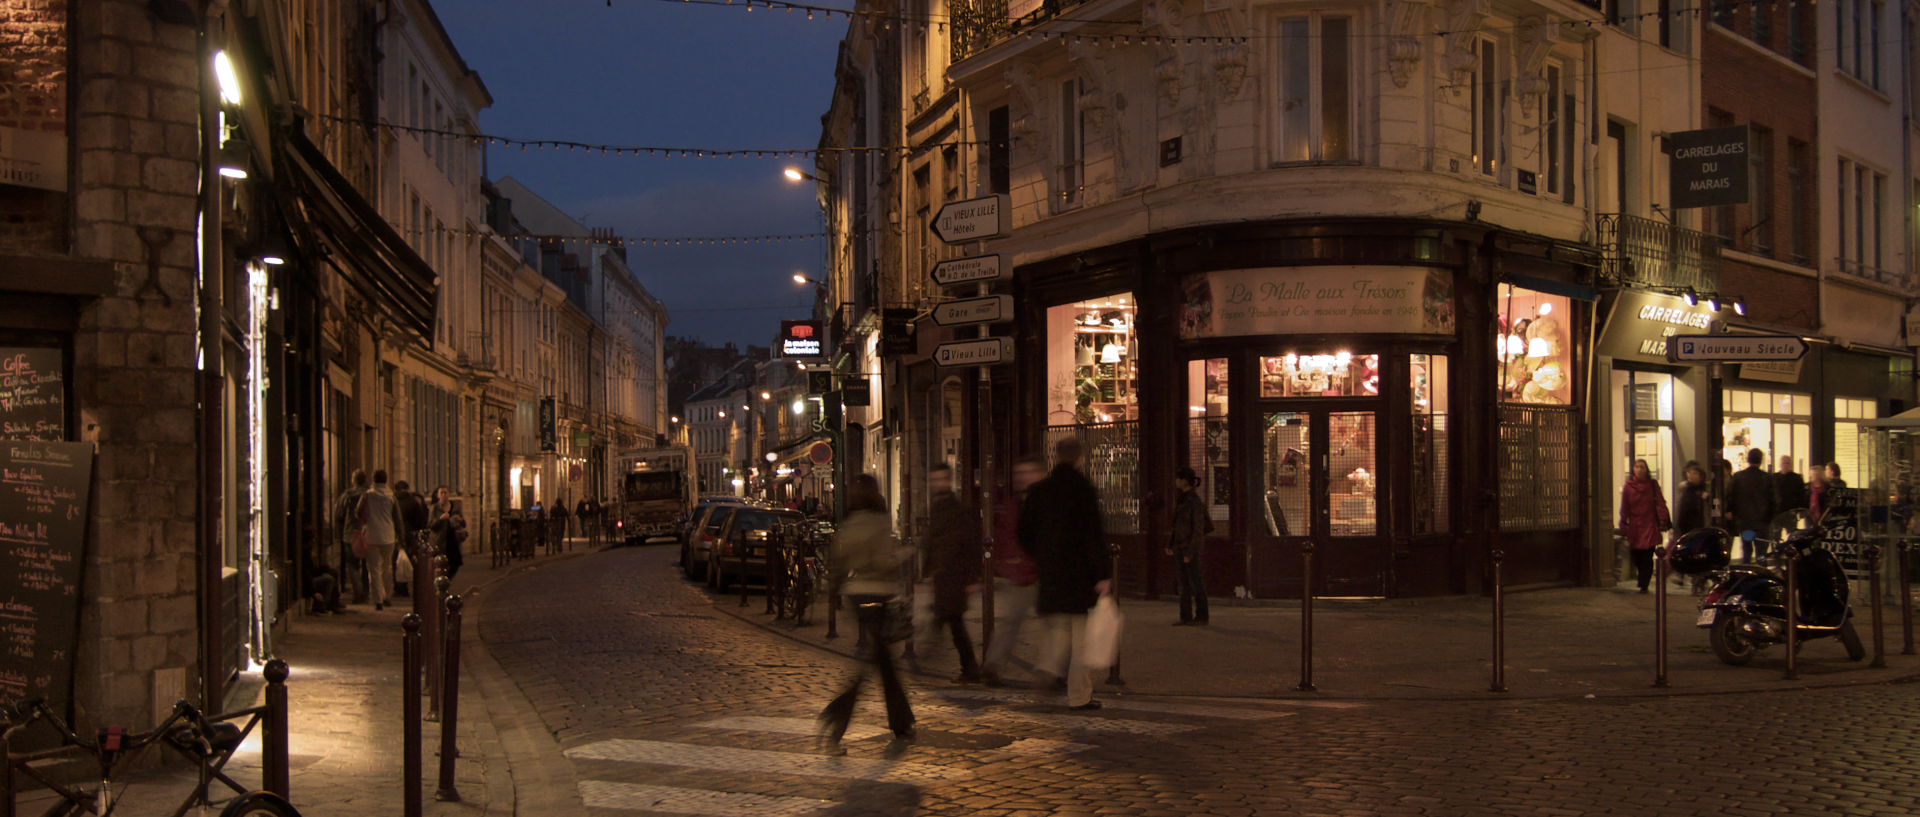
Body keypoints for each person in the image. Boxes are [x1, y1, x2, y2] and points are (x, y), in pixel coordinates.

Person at [817, 474, 915, 755]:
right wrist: (905, 554)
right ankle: (837, 717)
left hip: (855, 595)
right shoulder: (878, 523)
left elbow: (836, 563)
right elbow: (884, 562)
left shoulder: (849, 524)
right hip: (878, 596)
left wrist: (834, 592)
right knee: (870, 665)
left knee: (883, 662)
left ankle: (902, 721)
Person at [1021, 437, 1113, 710]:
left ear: (1056, 457)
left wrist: (1041, 555)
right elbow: (1094, 536)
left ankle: (1048, 668)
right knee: (1080, 639)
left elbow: (1024, 531)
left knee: (1058, 630)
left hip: (1051, 573)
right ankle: (1079, 695)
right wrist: (1103, 575)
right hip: (1080, 575)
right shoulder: (1083, 490)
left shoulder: (1040, 490)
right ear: (1080, 458)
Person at [980, 455, 1046, 687]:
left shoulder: (1044, 503)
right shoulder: (1013, 505)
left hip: (1043, 572)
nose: (1023, 478)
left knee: (1054, 624)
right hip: (1021, 573)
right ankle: (994, 665)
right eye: (1020, 474)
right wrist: (1007, 563)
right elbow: (1004, 537)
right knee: (1011, 622)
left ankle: (1053, 669)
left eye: (1028, 473)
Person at [926, 463, 983, 684]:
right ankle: (967, 668)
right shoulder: (936, 507)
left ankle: (967, 668)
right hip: (943, 576)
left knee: (952, 621)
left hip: (955, 576)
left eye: (942, 479)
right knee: (951, 620)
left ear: (949, 481)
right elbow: (932, 542)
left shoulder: (956, 509)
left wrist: (973, 577)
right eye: (935, 479)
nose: (938, 484)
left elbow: (970, 544)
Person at [1166, 466, 1211, 626]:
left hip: (1189, 547)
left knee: (1195, 582)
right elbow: (1177, 525)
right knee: (1184, 582)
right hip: (1181, 545)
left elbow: (1198, 529)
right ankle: (1185, 616)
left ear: (1184, 480)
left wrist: (1191, 551)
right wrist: (1171, 544)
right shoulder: (1183, 499)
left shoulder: (1193, 502)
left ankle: (1201, 616)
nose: (1176, 481)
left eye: (1178, 478)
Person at [1618, 459, 1671, 593]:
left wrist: (1663, 519)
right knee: (1636, 555)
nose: (1639, 469)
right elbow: (1625, 506)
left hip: (1649, 525)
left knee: (1647, 556)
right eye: (1637, 467)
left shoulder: (1652, 485)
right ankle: (1641, 579)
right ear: (1633, 469)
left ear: (1646, 470)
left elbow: (1660, 502)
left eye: (1642, 467)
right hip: (1635, 526)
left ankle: (1644, 584)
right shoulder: (1628, 487)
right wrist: (1623, 521)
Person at [354, 470, 405, 610]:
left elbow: (357, 511)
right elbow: (398, 518)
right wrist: (401, 536)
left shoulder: (368, 495)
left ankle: (378, 599)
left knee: (373, 569)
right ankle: (387, 595)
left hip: (371, 535)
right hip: (388, 535)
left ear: (373, 480)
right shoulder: (391, 496)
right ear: (386, 480)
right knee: (387, 567)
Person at [1728, 449, 1776, 563]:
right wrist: (1771, 517)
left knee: (1747, 550)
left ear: (1748, 459)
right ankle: (1761, 575)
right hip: (1762, 523)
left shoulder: (1739, 477)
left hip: (1746, 523)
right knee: (1761, 553)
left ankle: (1747, 574)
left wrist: (1732, 512)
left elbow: (1731, 496)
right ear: (1760, 460)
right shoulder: (1767, 478)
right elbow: (1774, 500)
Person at [331, 469, 370, 605]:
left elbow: (338, 513)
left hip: (350, 533)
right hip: (366, 533)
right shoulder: (369, 494)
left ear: (354, 480)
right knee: (366, 564)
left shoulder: (348, 495)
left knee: (352, 564)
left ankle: (358, 593)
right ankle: (365, 592)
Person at [431, 487, 467, 580]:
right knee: (440, 563)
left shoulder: (455, 507)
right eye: (441, 493)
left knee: (455, 563)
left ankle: (447, 579)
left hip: (454, 539)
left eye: (445, 493)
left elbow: (464, 524)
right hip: (440, 540)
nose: (443, 495)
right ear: (438, 495)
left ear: (449, 494)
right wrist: (440, 519)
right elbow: (430, 525)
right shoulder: (435, 508)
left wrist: (460, 519)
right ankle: (441, 583)